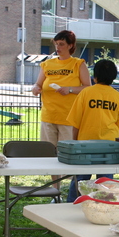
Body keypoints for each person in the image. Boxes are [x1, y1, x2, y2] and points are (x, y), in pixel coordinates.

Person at [65, 59, 119, 202]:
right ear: (113, 77)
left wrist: (74, 143)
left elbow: (75, 123)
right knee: (106, 184)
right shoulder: (118, 97)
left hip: (84, 146)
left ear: (94, 77)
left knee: (80, 180)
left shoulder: (85, 93)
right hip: (109, 148)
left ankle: (71, 205)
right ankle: (105, 205)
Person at [32, 30, 91, 190]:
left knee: (70, 155)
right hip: (48, 116)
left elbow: (87, 88)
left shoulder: (78, 64)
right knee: (50, 155)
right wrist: (36, 88)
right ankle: (54, 190)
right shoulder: (47, 64)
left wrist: (70, 89)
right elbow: (38, 84)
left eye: (61, 44)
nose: (58, 47)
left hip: (69, 118)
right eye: (56, 44)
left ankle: (75, 190)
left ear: (70, 45)